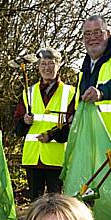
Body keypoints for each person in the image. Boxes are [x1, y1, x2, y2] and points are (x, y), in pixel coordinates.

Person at [45, 16, 111, 196]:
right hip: (92, 145)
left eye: (97, 32)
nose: (92, 38)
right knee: (96, 198)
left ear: (108, 34)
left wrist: (102, 92)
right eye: (87, 34)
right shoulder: (84, 70)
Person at [13, 48, 75, 200]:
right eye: (43, 63)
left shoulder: (70, 92)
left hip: (57, 158)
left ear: (58, 66)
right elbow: (17, 128)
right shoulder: (29, 92)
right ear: (38, 66)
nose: (47, 67)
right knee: (35, 202)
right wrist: (24, 121)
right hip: (33, 158)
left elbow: (73, 126)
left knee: (57, 202)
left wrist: (52, 136)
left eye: (51, 63)